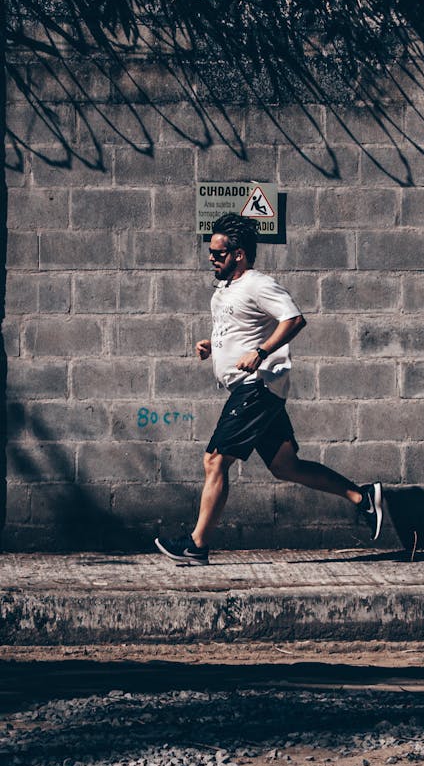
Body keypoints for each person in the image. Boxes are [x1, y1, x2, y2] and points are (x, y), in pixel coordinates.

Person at [155, 213, 383, 565]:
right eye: (211, 251)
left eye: (218, 253)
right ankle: (362, 496)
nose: (211, 258)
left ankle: (195, 546)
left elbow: (293, 319)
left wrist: (261, 354)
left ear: (239, 254)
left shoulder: (258, 284)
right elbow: (241, 330)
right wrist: (213, 346)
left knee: (215, 459)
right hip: (253, 389)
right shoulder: (226, 290)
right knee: (285, 466)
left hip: (256, 387)